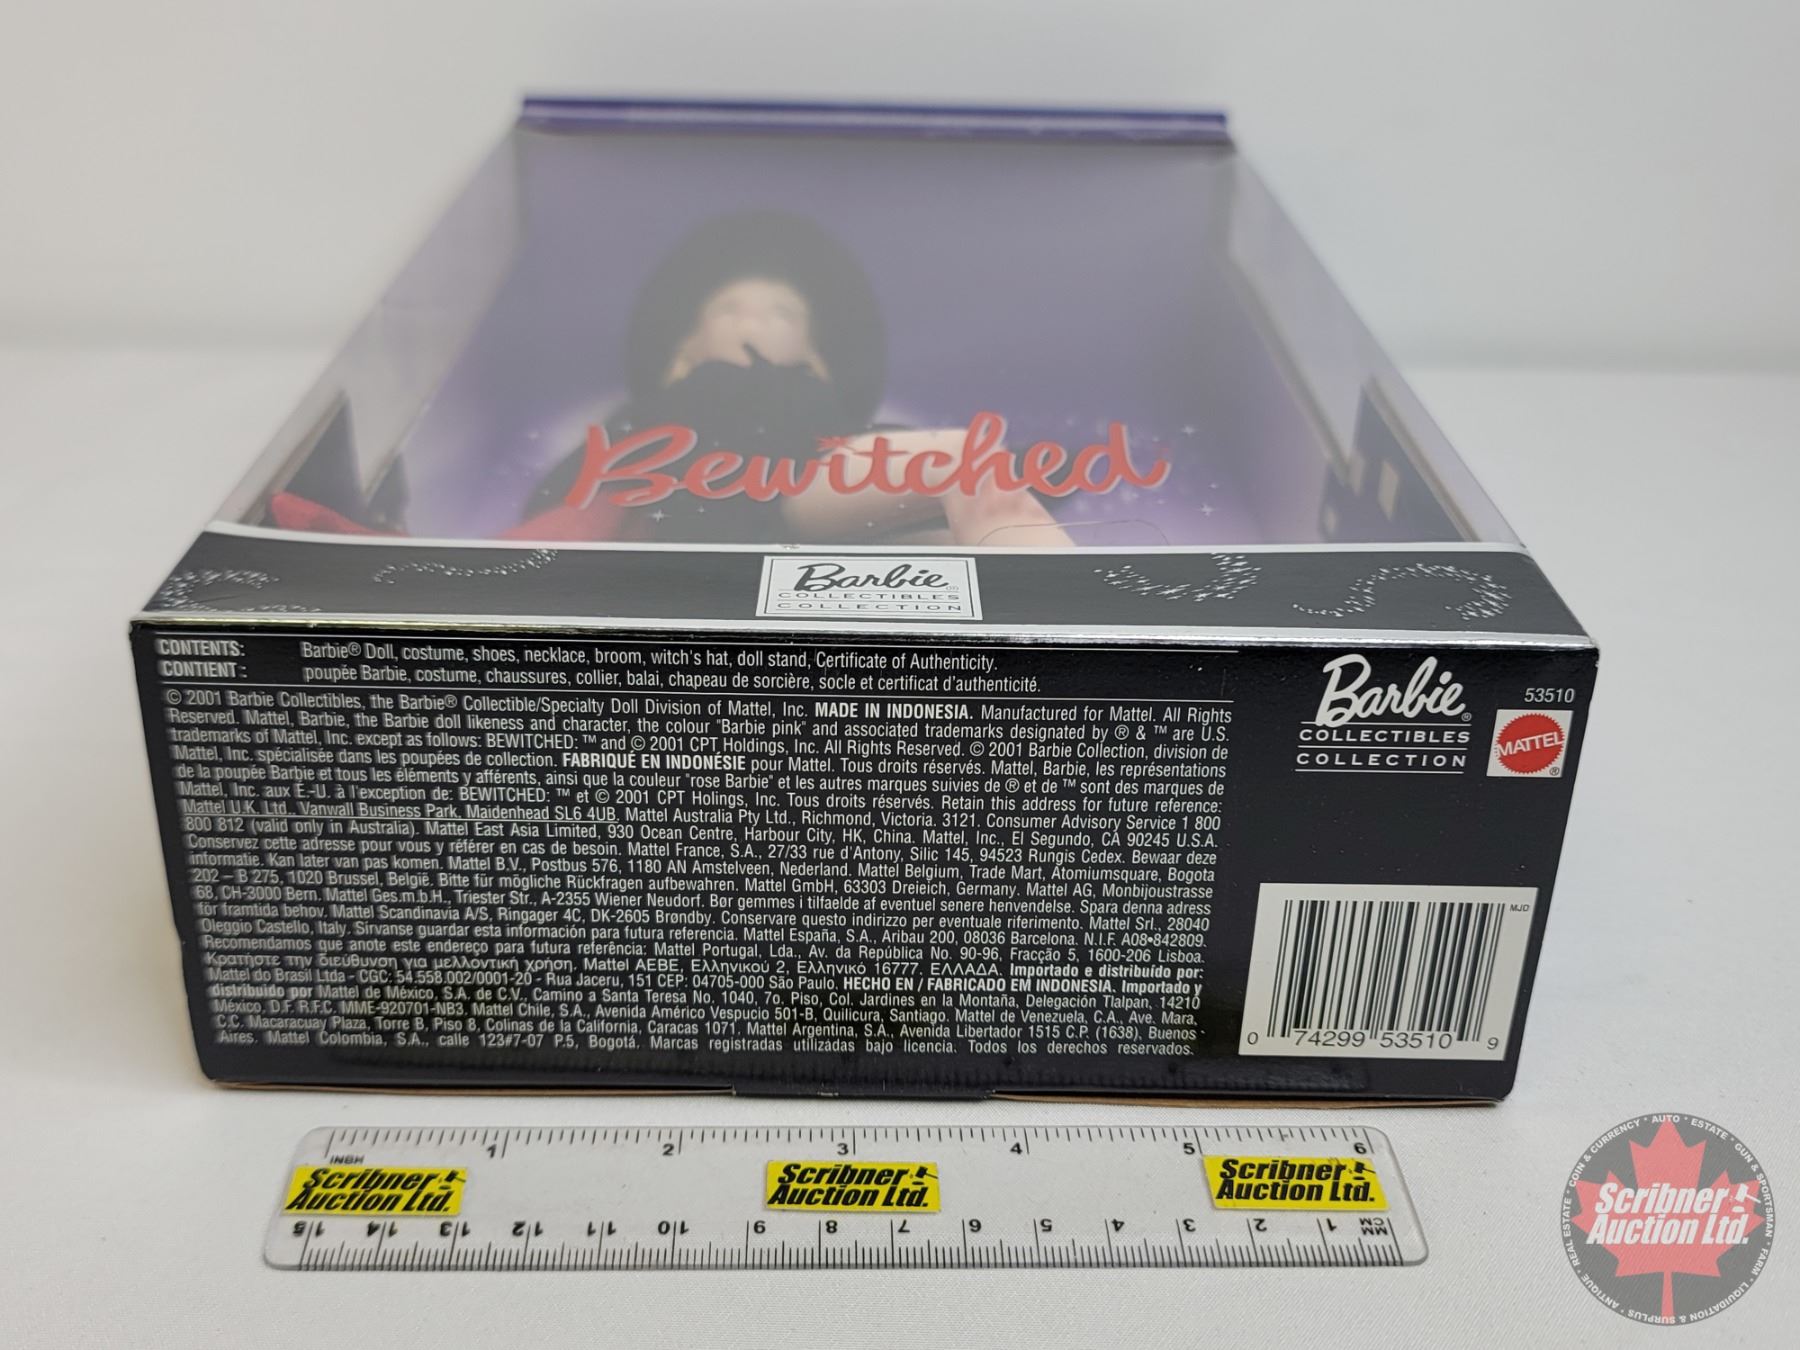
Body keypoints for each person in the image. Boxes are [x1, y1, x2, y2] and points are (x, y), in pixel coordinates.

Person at [525, 211, 1071, 547]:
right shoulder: (668, 405)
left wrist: (1012, 467)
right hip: (725, 511)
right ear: (687, 345)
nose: (755, 321)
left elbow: (868, 443)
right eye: (729, 309)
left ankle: (1063, 646)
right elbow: (583, 476)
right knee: (957, 475)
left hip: (810, 487)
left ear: (811, 350)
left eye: (782, 312)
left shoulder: (813, 400)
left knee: (960, 489)